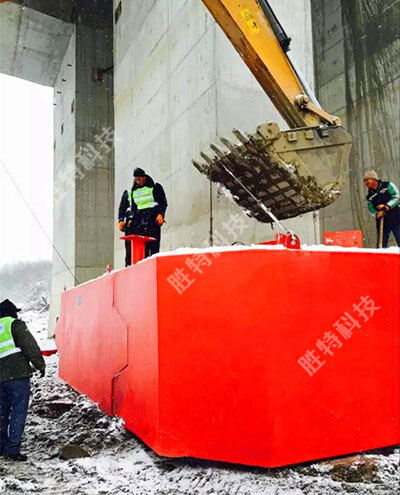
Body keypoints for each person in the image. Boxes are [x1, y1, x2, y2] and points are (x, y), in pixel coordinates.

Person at [0, 299, 46, 462]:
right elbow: (30, 346)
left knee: (2, 413)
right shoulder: (15, 324)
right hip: (17, 375)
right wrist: (40, 364)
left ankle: (1, 446)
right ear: (11, 312)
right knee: (18, 411)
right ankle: (12, 449)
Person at [118, 167, 168, 266]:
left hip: (152, 221)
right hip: (139, 222)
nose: (138, 181)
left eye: (140, 178)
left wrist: (160, 214)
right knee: (139, 249)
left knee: (153, 247)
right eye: (136, 179)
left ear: (144, 177)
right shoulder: (132, 192)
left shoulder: (155, 188)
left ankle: (152, 266)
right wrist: (121, 220)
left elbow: (162, 202)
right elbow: (123, 208)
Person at [364, 170, 400, 248]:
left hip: (397, 217)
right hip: (382, 222)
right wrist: (376, 214)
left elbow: (397, 197)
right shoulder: (369, 196)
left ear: (374, 179)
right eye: (365, 181)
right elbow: (371, 209)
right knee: (381, 246)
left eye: (367, 180)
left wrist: (387, 206)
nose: (366, 183)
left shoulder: (388, 185)